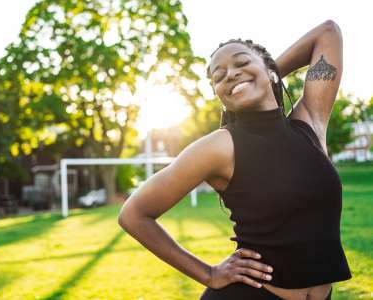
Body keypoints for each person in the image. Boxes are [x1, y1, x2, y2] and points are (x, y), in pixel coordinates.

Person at [118, 19, 351, 299]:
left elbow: (327, 33)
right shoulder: (219, 146)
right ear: (218, 93)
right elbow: (133, 214)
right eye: (220, 76)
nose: (230, 74)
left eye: (241, 63)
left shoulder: (310, 123)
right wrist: (209, 273)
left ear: (270, 70)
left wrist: (264, 73)